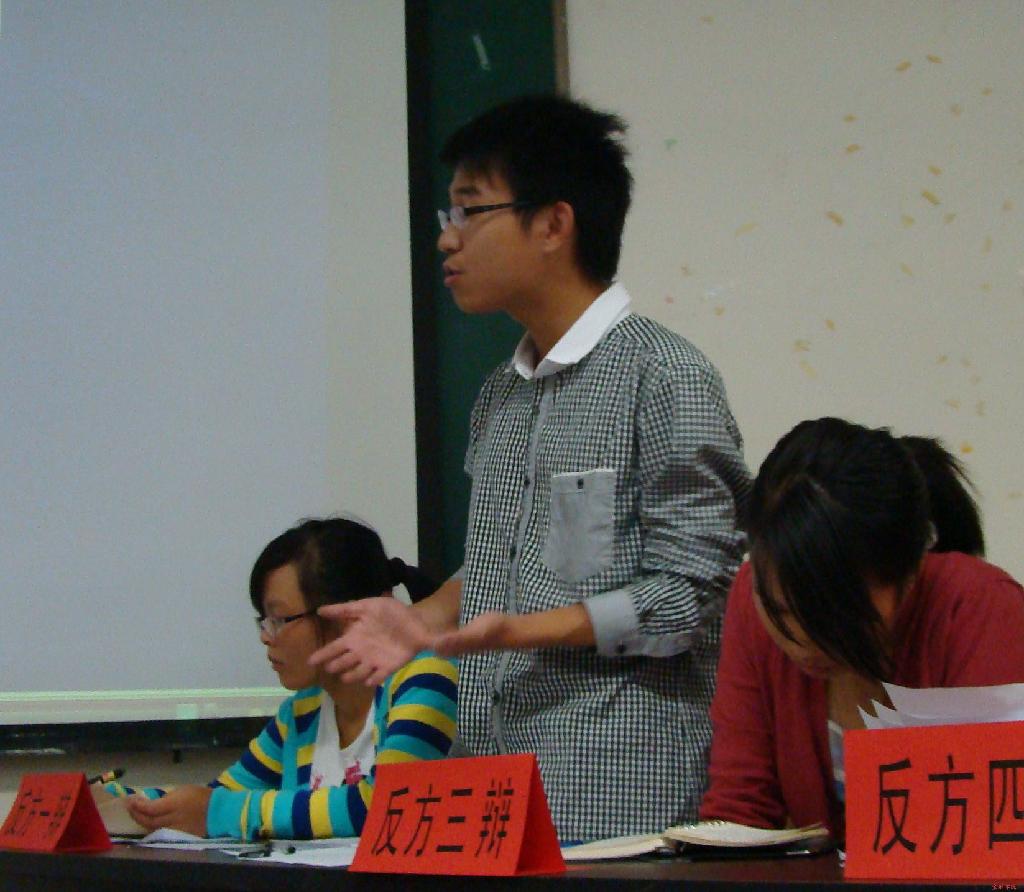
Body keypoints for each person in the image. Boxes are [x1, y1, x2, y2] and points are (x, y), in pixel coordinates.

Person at [309, 95, 750, 840]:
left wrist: (523, 631)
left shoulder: (665, 377)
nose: (446, 239)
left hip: (619, 795)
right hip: (491, 784)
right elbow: (503, 567)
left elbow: (690, 597)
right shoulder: (500, 395)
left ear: (552, 224)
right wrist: (421, 619)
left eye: (469, 210)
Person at [700, 417, 1024, 843]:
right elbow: (739, 811)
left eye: (831, 614)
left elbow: (985, 835)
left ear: (910, 572)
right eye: (778, 610)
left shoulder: (979, 609)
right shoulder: (748, 596)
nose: (800, 640)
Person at [111, 518, 458, 839]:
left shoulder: (426, 676)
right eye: (264, 621)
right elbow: (218, 795)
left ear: (350, 615)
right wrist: (116, 799)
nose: (266, 636)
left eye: (279, 619)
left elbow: (389, 806)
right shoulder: (302, 713)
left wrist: (218, 812)